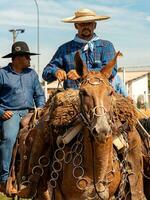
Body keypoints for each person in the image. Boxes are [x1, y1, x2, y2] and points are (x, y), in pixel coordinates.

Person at [42, 8, 127, 96]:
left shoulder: (106, 46)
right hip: (72, 100)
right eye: (82, 24)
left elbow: (111, 71)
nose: (86, 26)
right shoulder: (64, 49)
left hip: (102, 98)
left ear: (94, 25)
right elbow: (46, 73)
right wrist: (56, 71)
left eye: (89, 23)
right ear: (76, 26)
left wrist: (81, 73)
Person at [0, 41, 45, 195]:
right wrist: (1, 112)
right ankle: (4, 178)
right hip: (10, 113)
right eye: (27, 57)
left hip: (30, 112)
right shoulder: (2, 74)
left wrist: (40, 108)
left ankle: (36, 176)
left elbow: (39, 94)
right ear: (17, 58)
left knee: (43, 137)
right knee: (9, 139)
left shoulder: (31, 74)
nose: (30, 60)